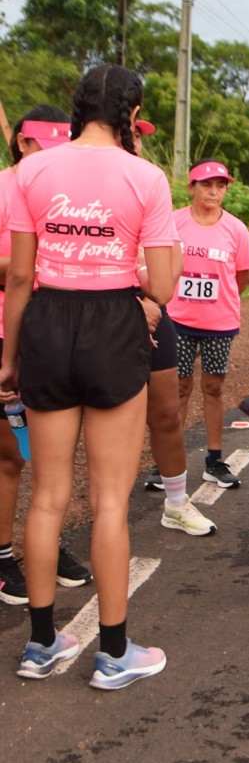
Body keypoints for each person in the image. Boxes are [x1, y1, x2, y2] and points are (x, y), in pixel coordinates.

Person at [1, 65, 175, 688]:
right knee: (109, 500)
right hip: (112, 323)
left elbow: (18, 277)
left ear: (77, 109)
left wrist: (9, 361)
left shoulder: (32, 170)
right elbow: (162, 283)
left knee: (46, 496)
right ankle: (113, 652)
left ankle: (40, 644)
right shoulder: (146, 177)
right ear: (132, 114)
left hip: (46, 322)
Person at [0, 108, 92, 605]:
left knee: (44, 455)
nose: (51, 158)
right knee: (12, 455)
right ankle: (1, 558)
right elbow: (18, 269)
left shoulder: (58, 191)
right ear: (20, 142)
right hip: (5, 334)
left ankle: (45, 547)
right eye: (42, 147)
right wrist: (34, 258)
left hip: (46, 333)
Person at [132, 121, 216, 537]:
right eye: (130, 129)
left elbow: (173, 262)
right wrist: (133, 300)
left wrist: (149, 300)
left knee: (166, 412)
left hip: (152, 308)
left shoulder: (151, 185)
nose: (137, 139)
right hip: (106, 313)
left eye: (141, 132)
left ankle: (177, 502)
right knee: (108, 420)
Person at [167, 161, 249, 489]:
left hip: (219, 323)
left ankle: (214, 459)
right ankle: (169, 462)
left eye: (220, 185)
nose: (214, 191)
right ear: (191, 187)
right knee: (178, 388)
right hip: (177, 321)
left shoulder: (235, 229)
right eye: (206, 184)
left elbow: (243, 275)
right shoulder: (173, 223)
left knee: (214, 388)